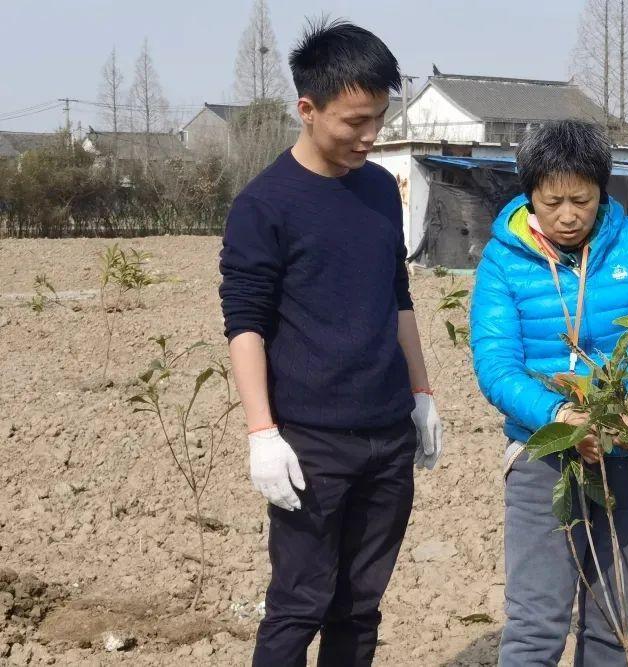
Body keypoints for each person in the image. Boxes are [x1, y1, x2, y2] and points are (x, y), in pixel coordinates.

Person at [219, 19, 443, 667]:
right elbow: (245, 323)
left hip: (385, 433)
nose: (369, 136)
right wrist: (262, 432)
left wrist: (421, 393)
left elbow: (396, 295)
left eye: (378, 117)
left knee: (359, 607)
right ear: (307, 109)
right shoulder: (266, 205)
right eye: (353, 121)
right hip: (310, 441)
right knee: (299, 602)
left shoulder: (377, 187)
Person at [469, 120, 628, 666]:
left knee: (614, 625)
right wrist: (563, 418)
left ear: (603, 191)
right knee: (535, 624)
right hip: (543, 455)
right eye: (553, 202)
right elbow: (497, 365)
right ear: (529, 195)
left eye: (583, 200)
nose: (568, 215)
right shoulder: (504, 260)